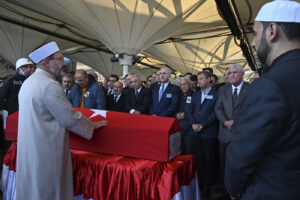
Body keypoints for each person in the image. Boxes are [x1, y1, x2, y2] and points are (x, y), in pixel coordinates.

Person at [225, 1, 300, 199]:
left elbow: (241, 157)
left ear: (272, 30)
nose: (252, 42)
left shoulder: (270, 84)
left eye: (256, 33)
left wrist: (234, 191)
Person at [16, 41, 107, 200]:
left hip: (30, 146)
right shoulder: (49, 85)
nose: (63, 62)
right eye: (58, 58)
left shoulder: (29, 82)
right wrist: (91, 125)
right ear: (46, 62)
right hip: (46, 149)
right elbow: (69, 117)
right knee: (48, 189)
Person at [214, 64, 249, 199]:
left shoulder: (250, 89)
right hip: (225, 134)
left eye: (235, 73)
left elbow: (252, 109)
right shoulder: (223, 89)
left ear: (242, 74)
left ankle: (242, 191)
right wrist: (225, 122)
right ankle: (226, 192)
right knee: (224, 164)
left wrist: (237, 122)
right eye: (229, 73)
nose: (232, 75)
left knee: (242, 164)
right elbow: (218, 108)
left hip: (242, 134)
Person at [187, 71, 218, 195]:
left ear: (208, 79)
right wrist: (193, 124)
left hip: (208, 133)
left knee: (209, 160)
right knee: (197, 160)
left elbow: (215, 113)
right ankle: (198, 184)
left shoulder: (216, 94)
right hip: (195, 132)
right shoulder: (195, 94)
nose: (198, 81)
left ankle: (208, 186)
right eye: (198, 79)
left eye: (200, 79)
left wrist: (203, 125)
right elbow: (189, 111)